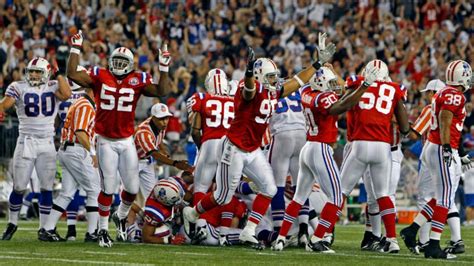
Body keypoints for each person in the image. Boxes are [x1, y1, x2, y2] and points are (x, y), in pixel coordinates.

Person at [183, 34, 336, 248]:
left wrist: (318, 63)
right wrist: (247, 72)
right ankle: (192, 212)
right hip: (233, 149)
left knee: (270, 188)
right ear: (259, 76)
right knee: (222, 196)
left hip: (253, 149)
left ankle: (249, 230)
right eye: (271, 77)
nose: (275, 80)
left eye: (275, 76)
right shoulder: (250, 91)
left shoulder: (274, 92)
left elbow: (298, 80)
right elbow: (248, 90)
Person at [66, 30, 171, 247]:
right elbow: (73, 75)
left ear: (130, 63)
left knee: (132, 189)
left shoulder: (138, 79)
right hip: (105, 140)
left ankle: (120, 215)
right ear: (110, 61)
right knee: (108, 187)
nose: (120, 64)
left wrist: (164, 68)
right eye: (117, 60)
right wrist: (75, 49)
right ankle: (103, 230)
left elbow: (163, 90)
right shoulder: (99, 75)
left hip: (126, 140)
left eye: (124, 61)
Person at [272, 65, 379, 253]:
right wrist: (364, 87)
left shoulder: (307, 92)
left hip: (308, 147)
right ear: (320, 83)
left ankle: (281, 238)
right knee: (337, 197)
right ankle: (318, 239)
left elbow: (339, 97)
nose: (333, 86)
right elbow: (340, 106)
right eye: (329, 83)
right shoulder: (323, 97)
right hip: (320, 148)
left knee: (298, 198)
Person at [400, 60, 472, 260]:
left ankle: (412, 230)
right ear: (461, 76)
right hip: (441, 147)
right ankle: (433, 246)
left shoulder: (443, 93)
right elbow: (445, 118)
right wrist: (449, 147)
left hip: (433, 147)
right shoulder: (454, 95)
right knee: (446, 199)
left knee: (439, 196)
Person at [339, 59, 410, 253]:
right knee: (378, 196)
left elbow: (343, 103)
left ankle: (324, 233)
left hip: (376, 146)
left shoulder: (360, 85)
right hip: (384, 148)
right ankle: (377, 237)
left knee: (375, 194)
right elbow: (406, 127)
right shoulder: (394, 90)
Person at [0, 57, 72, 240]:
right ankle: (12, 223)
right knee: (18, 187)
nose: (33, 74)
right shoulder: (18, 86)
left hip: (47, 143)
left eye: (38, 72)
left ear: (47, 73)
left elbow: (67, 94)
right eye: (31, 71)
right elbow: (6, 104)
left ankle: (44, 229)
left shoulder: (54, 85)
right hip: (26, 141)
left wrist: (59, 73)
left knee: (47, 188)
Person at [40, 78, 99, 242]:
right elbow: (80, 132)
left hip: (67, 149)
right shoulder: (85, 105)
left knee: (66, 193)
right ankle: (92, 232)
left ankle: (47, 229)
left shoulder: (80, 103)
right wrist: (93, 152)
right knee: (94, 190)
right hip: (76, 149)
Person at [186, 68, 234, 206]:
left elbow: (194, 129)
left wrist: (202, 147)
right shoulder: (235, 100)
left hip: (210, 143)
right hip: (230, 146)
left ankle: (197, 221)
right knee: (227, 189)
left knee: (201, 187)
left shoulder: (200, 98)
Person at [133, 103, 192, 205]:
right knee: (129, 191)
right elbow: (154, 154)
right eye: (161, 119)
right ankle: (120, 213)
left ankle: (151, 217)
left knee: (152, 193)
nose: (165, 122)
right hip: (132, 162)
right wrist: (175, 163)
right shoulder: (143, 131)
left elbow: (159, 141)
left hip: (146, 161)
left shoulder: (160, 127)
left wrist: (164, 152)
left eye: (166, 118)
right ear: (153, 118)